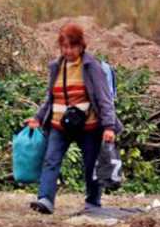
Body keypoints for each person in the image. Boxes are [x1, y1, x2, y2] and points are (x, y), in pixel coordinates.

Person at [25, 23, 123, 214]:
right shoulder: (56, 67)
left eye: (72, 46)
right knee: (51, 160)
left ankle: (93, 203)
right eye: (64, 47)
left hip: (88, 126)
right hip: (59, 125)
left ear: (81, 46)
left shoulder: (91, 67)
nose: (68, 51)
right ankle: (45, 199)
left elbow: (104, 98)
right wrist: (37, 118)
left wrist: (109, 127)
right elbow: (50, 97)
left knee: (90, 165)